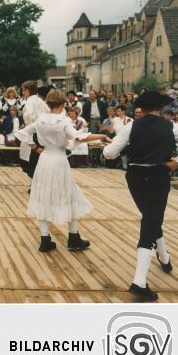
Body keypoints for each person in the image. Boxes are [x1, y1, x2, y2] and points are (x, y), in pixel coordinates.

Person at [103, 91, 178, 301]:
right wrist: (177, 163)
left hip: (135, 176)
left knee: (150, 217)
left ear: (143, 108)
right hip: (158, 174)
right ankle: (139, 282)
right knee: (151, 218)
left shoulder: (131, 126)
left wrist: (117, 147)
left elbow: (109, 154)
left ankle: (165, 258)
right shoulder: (171, 126)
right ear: (161, 108)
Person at [15, 89, 110, 253]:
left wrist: (36, 148)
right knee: (71, 195)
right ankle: (73, 238)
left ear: (48, 103)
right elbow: (78, 137)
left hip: (45, 159)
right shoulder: (64, 120)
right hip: (59, 160)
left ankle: (45, 240)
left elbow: (23, 132)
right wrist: (101, 136)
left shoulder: (41, 119)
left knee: (43, 196)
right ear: (63, 104)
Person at [19, 81, 49, 184]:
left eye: (24, 90)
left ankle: (35, 185)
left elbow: (29, 117)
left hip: (32, 133)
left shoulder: (29, 102)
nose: (23, 92)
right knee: (37, 160)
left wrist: (27, 127)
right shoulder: (40, 101)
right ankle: (37, 183)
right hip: (42, 133)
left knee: (31, 160)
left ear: (28, 90)